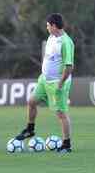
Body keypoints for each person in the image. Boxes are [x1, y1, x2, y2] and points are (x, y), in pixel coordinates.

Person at [15, 13, 75, 153]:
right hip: (44, 79)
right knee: (31, 101)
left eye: (48, 25)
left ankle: (66, 144)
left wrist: (60, 83)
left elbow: (69, 66)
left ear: (54, 26)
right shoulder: (51, 37)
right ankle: (30, 129)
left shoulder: (66, 42)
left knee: (61, 113)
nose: (47, 28)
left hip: (57, 83)